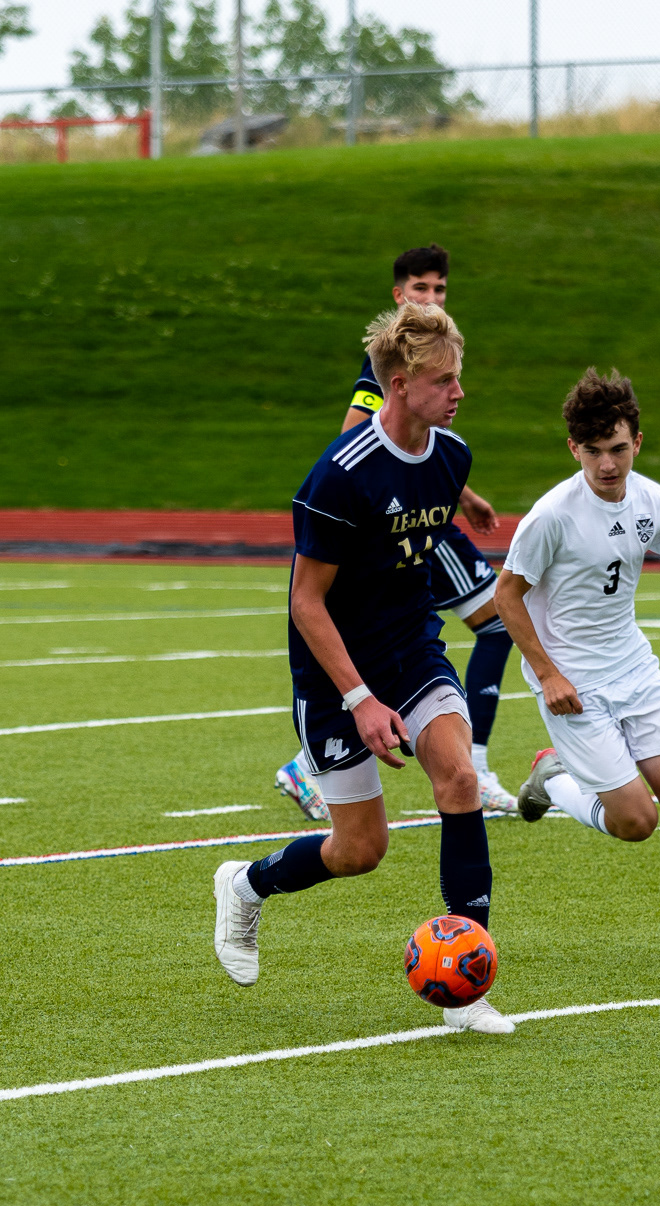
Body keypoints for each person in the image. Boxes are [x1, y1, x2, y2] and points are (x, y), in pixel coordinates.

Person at [214, 300, 513, 1035]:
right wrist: (359, 699)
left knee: (460, 778)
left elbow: (421, 507)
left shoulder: (453, 454)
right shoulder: (337, 477)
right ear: (400, 385)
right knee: (360, 850)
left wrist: (466, 504)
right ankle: (246, 886)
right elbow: (305, 602)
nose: (459, 392)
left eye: (458, 377)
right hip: (334, 674)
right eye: (444, 381)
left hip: (411, 650)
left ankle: (466, 989)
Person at [494, 368, 660, 962]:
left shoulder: (652, 500)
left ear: (637, 443)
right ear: (573, 448)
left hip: (634, 670)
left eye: (619, 449)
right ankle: (552, 780)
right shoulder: (552, 515)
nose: (608, 464)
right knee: (635, 822)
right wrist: (547, 675)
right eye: (594, 451)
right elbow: (506, 596)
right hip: (573, 682)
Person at [275, 242, 517, 824]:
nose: (431, 298)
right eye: (420, 289)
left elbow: (419, 449)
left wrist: (466, 496)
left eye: (439, 289)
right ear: (397, 295)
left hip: (421, 514)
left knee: (435, 637)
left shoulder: (437, 374)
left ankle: (466, 766)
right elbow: (359, 438)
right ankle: (472, 767)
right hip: (393, 525)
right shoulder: (388, 368)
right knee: (494, 624)